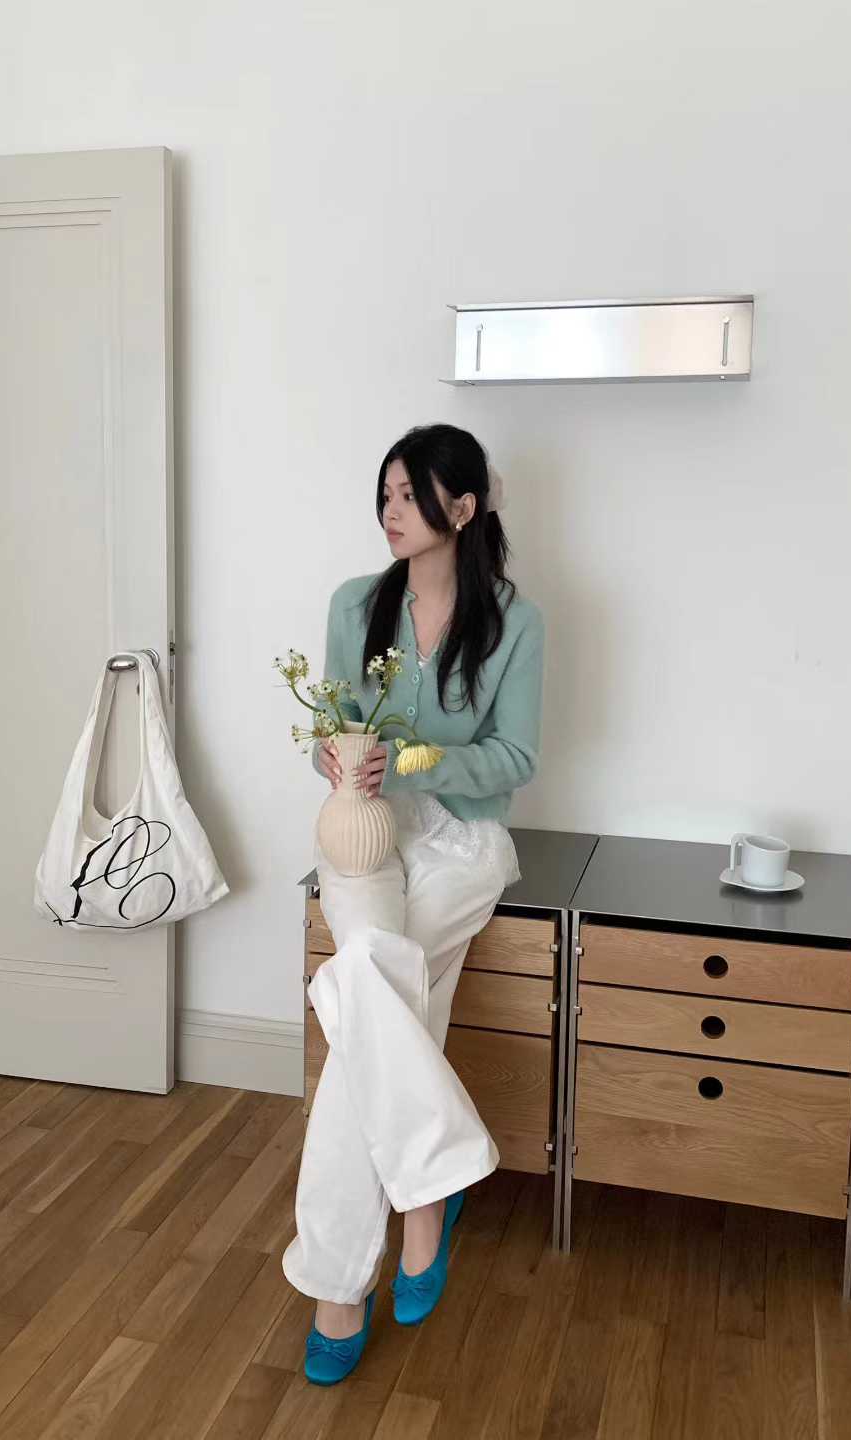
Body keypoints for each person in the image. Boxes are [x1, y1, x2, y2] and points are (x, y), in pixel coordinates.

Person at [280, 422, 546, 1386]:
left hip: (465, 841)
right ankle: (432, 1184)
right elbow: (334, 722)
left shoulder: (514, 621)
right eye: (386, 493)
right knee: (374, 976)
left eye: (410, 494)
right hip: (365, 832)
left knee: (369, 991)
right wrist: (334, 751)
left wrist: (422, 758)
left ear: (462, 508)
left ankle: (336, 1290)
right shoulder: (355, 605)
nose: (391, 510)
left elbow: (516, 758)